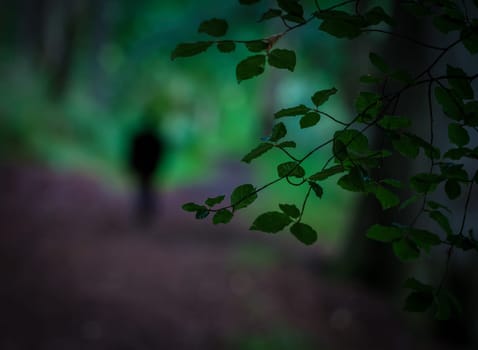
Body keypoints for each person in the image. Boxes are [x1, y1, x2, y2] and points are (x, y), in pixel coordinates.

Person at [128, 118, 164, 225]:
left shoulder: (140, 137)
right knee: (147, 187)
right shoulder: (153, 138)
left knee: (144, 188)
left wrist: (132, 164)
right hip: (149, 167)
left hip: (143, 167)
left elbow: (132, 152)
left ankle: (144, 210)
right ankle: (148, 209)